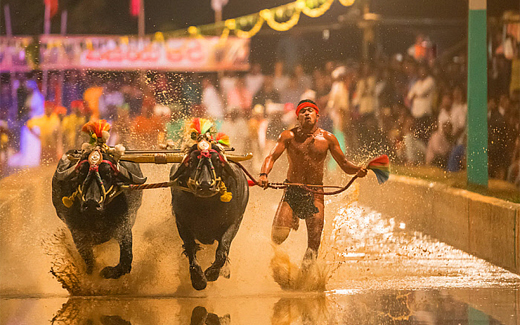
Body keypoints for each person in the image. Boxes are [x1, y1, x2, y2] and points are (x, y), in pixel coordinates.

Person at [259, 99, 367, 265]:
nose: (306, 114)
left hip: (315, 193)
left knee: (314, 242)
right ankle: (281, 265)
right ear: (297, 118)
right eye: (302, 111)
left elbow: (344, 164)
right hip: (292, 191)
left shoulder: (328, 138)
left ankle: (306, 278)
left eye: (310, 111)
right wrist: (264, 174)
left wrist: (357, 170)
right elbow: (271, 157)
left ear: (317, 115)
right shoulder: (288, 136)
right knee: (277, 236)